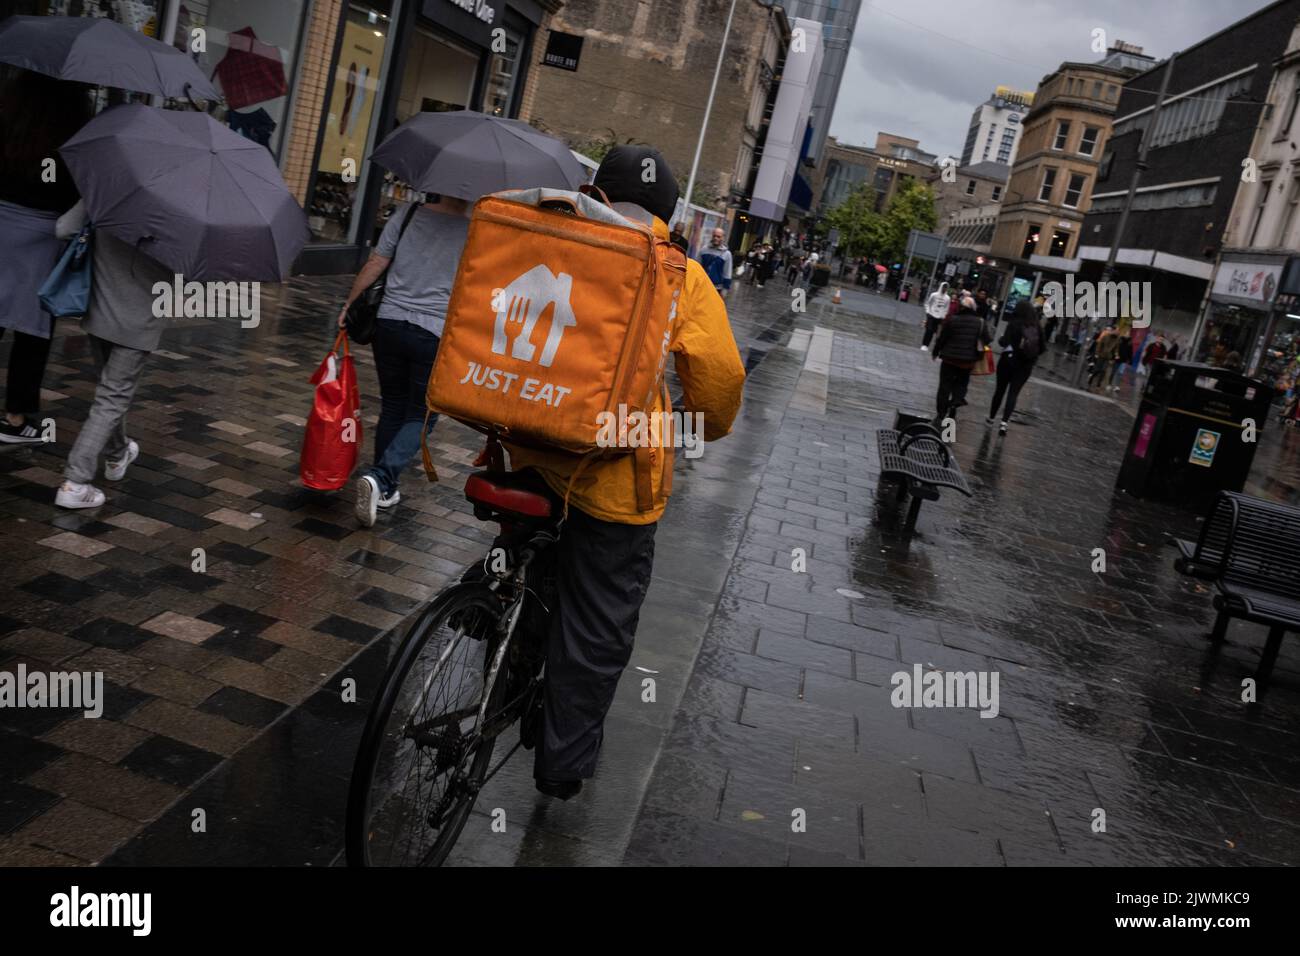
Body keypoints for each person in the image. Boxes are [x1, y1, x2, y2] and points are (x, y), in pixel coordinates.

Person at [502, 146, 745, 800]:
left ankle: (494, 641)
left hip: (522, 451)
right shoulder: (680, 274)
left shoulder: (557, 234)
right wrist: (693, 429)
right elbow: (719, 386)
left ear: (597, 194)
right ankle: (561, 766)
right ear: (668, 216)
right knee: (595, 627)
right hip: (612, 483)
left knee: (520, 562)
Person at [337, 192, 472, 527]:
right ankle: (381, 477)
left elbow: (376, 262)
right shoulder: (475, 231)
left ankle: (385, 488)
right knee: (423, 414)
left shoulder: (408, 212)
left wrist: (348, 305)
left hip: (390, 323)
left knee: (394, 405)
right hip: (434, 332)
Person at [0, 73, 96, 444]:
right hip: (42, 236)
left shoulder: (7, 120)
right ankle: (15, 417)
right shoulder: (74, 137)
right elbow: (76, 192)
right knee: (33, 328)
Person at [56, 220, 175, 508]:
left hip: (100, 308)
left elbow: (63, 229)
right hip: (139, 320)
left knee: (110, 393)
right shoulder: (185, 216)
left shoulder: (111, 187)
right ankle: (75, 482)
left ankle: (118, 451)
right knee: (112, 397)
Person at [932, 291, 991, 424]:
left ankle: (941, 414)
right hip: (967, 361)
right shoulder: (980, 322)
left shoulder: (952, 319)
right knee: (961, 383)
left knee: (944, 386)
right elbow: (987, 339)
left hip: (949, 358)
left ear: (961, 307)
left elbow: (942, 338)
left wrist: (935, 352)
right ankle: (955, 402)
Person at [986, 299, 1043, 434]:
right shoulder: (1037, 327)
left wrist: (1000, 339)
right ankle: (1004, 423)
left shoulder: (1014, 323)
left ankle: (991, 418)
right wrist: (1030, 357)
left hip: (1008, 362)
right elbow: (1042, 348)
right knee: (1014, 393)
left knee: (1000, 391)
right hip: (1025, 366)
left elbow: (1004, 342)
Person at [697, 227, 732, 295]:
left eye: (718, 237)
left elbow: (727, 273)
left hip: (716, 289)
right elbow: (697, 267)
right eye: (714, 236)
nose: (716, 238)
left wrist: (724, 291)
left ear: (723, 238)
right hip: (702, 286)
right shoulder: (704, 250)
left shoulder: (727, 254)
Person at [921, 280, 951, 351]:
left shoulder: (947, 298)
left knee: (936, 332)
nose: (944, 289)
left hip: (940, 317)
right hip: (931, 315)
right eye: (943, 287)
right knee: (929, 330)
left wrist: (943, 315)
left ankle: (933, 346)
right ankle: (925, 344)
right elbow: (928, 303)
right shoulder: (934, 295)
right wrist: (928, 312)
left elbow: (946, 308)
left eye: (946, 288)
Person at [1088, 324, 1119, 389]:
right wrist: (1097, 353)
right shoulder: (1106, 336)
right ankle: (1092, 377)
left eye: (1117, 331)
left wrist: (1115, 356)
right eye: (1116, 330)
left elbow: (1116, 349)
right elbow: (1099, 345)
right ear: (1113, 331)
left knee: (1104, 370)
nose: (1117, 332)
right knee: (1097, 369)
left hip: (1108, 357)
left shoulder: (1116, 340)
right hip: (1101, 355)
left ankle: (1098, 384)